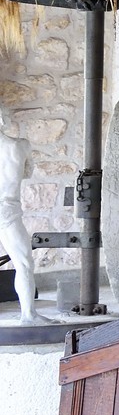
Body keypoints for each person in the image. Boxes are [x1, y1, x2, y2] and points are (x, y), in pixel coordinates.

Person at [0, 111, 48, 324]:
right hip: (8, 209)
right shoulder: (20, 146)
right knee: (24, 264)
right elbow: (27, 173)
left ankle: (29, 315)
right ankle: (28, 315)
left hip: (8, 210)